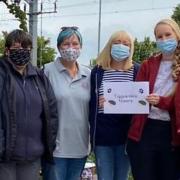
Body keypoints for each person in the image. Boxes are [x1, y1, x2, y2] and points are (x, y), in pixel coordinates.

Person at [0, 29, 58, 180]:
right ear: (7, 51)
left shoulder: (39, 77)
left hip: (32, 156)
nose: (22, 52)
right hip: (4, 157)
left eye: (26, 49)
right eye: (17, 48)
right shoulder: (2, 75)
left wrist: (48, 144)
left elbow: (51, 113)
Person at [127, 19, 180, 180]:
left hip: (171, 133)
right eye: (159, 36)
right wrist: (109, 101)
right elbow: (136, 96)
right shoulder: (147, 64)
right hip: (145, 130)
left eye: (168, 35)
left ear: (177, 35)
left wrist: (162, 102)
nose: (164, 40)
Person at [89, 30, 139, 180]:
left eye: (126, 44)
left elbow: (141, 101)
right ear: (110, 45)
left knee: (122, 177)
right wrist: (99, 103)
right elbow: (91, 101)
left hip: (126, 136)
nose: (121, 46)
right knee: (104, 177)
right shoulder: (98, 71)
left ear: (131, 48)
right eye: (117, 43)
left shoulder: (137, 70)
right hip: (103, 135)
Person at [42, 26, 91, 180]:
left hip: (80, 147)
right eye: (66, 44)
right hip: (56, 148)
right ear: (58, 47)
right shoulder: (46, 71)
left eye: (75, 44)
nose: (71, 48)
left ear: (81, 47)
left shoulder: (88, 74)